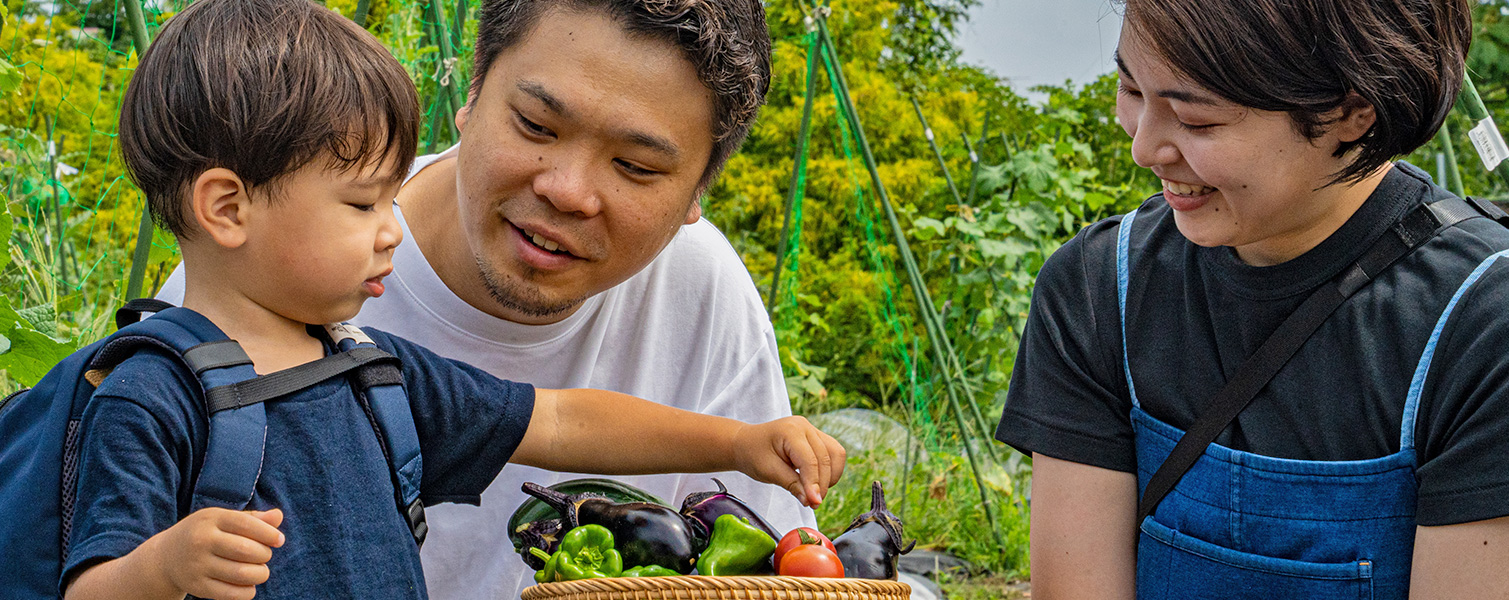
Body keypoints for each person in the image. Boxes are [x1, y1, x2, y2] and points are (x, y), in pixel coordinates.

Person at [71, 2, 844, 599]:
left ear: (695, 195)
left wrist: (738, 443)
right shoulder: (173, 377)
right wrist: (168, 563)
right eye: (536, 123)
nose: (566, 192)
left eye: (637, 167)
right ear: (471, 95)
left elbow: (559, 418)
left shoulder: (373, 368)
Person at [995, 0, 1509, 598]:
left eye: (1197, 121)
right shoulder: (1097, 287)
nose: (1144, 147)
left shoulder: (1482, 325)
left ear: (1351, 112)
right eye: (1131, 90)